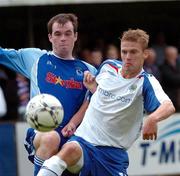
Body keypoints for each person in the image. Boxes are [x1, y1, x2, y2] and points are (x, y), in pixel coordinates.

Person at [37, 29, 175, 176]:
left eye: (133, 52)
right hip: (84, 141)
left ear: (145, 54)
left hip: (112, 155)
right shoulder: (108, 66)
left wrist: (153, 119)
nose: (127, 57)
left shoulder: (146, 82)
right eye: (124, 51)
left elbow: (168, 106)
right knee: (63, 155)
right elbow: (101, 96)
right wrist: (93, 88)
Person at [0, 13, 96, 176]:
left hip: (75, 137)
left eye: (68, 33)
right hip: (41, 132)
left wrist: (73, 122)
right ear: (50, 37)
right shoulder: (35, 58)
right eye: (57, 34)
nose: (63, 38)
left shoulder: (89, 70)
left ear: (75, 36)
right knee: (51, 138)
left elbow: (93, 103)